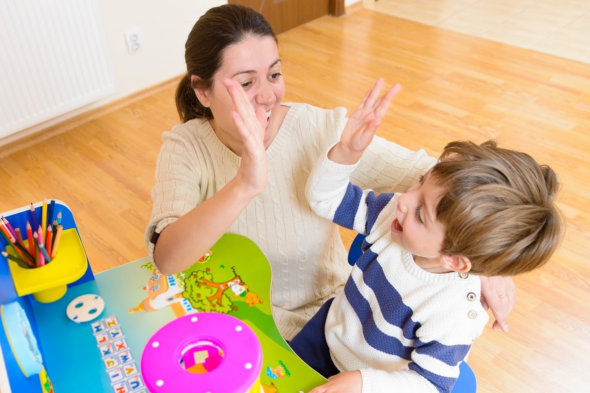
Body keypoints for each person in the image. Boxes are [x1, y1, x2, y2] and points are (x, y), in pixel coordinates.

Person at [145, 3, 514, 341]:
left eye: (274, 74)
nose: (268, 95)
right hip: (233, 324)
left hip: (331, 322)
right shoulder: (185, 147)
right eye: (245, 83)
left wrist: (486, 261)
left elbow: (441, 177)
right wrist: (244, 184)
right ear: (202, 91)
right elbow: (167, 259)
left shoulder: (320, 129)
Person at [289, 86, 562, 393]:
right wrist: (347, 152)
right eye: (419, 184)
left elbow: (430, 383)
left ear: (455, 260)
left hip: (378, 383)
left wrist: (363, 382)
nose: (404, 200)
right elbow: (325, 200)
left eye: (421, 213)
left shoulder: (454, 314)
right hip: (326, 338)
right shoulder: (392, 216)